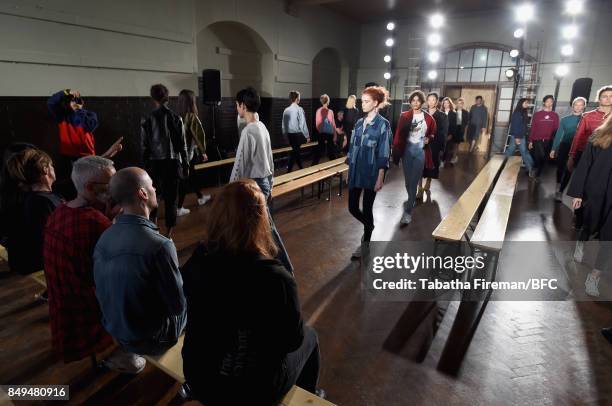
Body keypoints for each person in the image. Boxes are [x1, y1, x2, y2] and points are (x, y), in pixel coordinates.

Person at [181, 180, 321, 405]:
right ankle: (310, 395)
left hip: (200, 380)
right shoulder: (276, 278)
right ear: (260, 221)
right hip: (254, 392)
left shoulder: (197, 262)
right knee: (310, 337)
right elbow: (293, 341)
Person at [94, 167, 187, 357]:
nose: (155, 189)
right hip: (151, 339)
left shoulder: (105, 236)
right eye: (152, 185)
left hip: (115, 331)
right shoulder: (159, 245)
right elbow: (177, 307)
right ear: (142, 193)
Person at [43, 156, 122, 366]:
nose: (114, 190)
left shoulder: (60, 210)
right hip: (87, 307)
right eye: (110, 185)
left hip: (61, 303)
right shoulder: (95, 223)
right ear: (89, 187)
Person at [231, 87, 294, 274]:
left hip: (255, 185)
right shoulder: (262, 127)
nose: (236, 108)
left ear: (243, 106)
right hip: (264, 183)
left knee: (267, 230)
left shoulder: (249, 131)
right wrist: (271, 184)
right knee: (259, 229)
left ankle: (286, 269)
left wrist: (229, 189)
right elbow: (270, 159)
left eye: (237, 105)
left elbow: (239, 164)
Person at [47, 89, 122, 199]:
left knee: (89, 184)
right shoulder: (62, 116)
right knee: (72, 185)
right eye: (70, 101)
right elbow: (51, 102)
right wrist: (67, 92)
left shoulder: (89, 115)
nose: (73, 103)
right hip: (68, 156)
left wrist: (78, 110)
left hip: (87, 156)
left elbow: (88, 125)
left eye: (75, 101)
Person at [567, 114, 612, 297]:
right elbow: (585, 164)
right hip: (596, 191)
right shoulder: (599, 135)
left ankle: (594, 276)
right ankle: (581, 242)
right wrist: (578, 192)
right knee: (588, 224)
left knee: (609, 239)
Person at [346, 86, 391, 259]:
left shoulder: (383, 125)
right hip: (356, 172)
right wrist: (349, 171)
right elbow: (352, 149)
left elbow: (384, 153)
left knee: (367, 208)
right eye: (362, 101)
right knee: (352, 207)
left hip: (372, 173)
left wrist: (380, 178)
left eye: (366, 101)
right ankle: (370, 226)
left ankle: (365, 245)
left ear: (376, 103)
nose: (362, 104)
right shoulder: (358, 123)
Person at [4, 148, 62, 277]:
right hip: (41, 270)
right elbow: (47, 241)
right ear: (45, 169)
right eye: (51, 165)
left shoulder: (40, 197)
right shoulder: (39, 201)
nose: (54, 168)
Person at [141, 83, 189, 239]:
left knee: (153, 196)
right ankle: (169, 235)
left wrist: (144, 166)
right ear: (167, 97)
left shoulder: (146, 119)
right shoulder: (176, 118)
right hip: (172, 163)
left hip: (154, 164)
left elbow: (144, 146)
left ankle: (154, 229)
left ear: (153, 98)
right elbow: (183, 146)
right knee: (171, 199)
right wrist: (186, 164)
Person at [568, 85, 612, 229]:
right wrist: (572, 155)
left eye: (611, 96)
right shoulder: (589, 116)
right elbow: (578, 136)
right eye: (605, 96)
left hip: (606, 160)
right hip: (588, 155)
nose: (608, 99)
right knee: (584, 191)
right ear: (599, 98)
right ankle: (580, 218)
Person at [393, 90, 437, 226]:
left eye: (418, 100)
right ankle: (411, 198)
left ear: (422, 102)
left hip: (420, 152)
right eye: (413, 100)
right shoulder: (404, 116)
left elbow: (433, 132)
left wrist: (429, 138)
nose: (415, 102)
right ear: (410, 101)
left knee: (413, 181)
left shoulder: (428, 118)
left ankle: (408, 212)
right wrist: (395, 150)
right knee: (407, 182)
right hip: (407, 151)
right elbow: (398, 134)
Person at [176, 89, 211, 216]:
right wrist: (203, 151)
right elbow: (198, 135)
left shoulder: (177, 116)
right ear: (191, 102)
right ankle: (179, 208)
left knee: (192, 176)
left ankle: (200, 197)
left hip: (178, 154)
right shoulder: (192, 117)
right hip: (187, 154)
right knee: (185, 180)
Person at [550, 97, 586, 201]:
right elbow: (558, 135)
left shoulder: (586, 119)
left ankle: (560, 191)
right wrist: (553, 149)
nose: (578, 107)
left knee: (569, 169)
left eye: (581, 105)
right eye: (576, 104)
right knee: (560, 167)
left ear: (584, 106)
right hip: (565, 145)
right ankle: (558, 182)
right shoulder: (565, 120)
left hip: (578, 148)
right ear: (572, 106)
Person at [419, 93, 448, 200]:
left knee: (431, 165)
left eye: (433, 100)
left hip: (434, 144)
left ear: (436, 102)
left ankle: (429, 181)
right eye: (429, 100)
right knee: (419, 167)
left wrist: (440, 147)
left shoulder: (442, 116)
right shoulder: (422, 114)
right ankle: (419, 189)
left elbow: (443, 132)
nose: (431, 102)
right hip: (421, 144)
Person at [528, 95, 560, 180]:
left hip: (548, 140)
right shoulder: (537, 114)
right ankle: (535, 168)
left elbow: (556, 129)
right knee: (540, 156)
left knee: (545, 157)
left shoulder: (555, 115)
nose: (549, 103)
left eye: (551, 101)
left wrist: (555, 142)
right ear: (544, 102)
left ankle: (538, 173)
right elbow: (533, 128)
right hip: (537, 139)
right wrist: (530, 140)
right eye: (547, 101)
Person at [282, 91, 310, 172]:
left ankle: (300, 169)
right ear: (297, 99)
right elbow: (302, 125)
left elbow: (284, 125)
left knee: (295, 152)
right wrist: (307, 136)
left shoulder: (286, 110)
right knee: (295, 152)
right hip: (298, 136)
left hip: (289, 136)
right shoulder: (299, 109)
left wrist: (285, 136)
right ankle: (290, 172)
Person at [505, 98, 535, 176]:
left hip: (521, 135)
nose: (527, 104)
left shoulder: (523, 112)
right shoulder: (517, 113)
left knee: (514, 151)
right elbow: (515, 125)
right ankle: (530, 169)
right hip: (517, 136)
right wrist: (517, 138)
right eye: (525, 103)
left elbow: (523, 125)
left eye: (527, 103)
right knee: (522, 152)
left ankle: (530, 167)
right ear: (521, 103)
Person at [312, 94, 337, 164]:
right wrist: (335, 135)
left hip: (321, 133)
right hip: (329, 133)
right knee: (331, 152)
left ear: (321, 101)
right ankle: (336, 168)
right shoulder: (331, 112)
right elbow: (333, 124)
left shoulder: (318, 111)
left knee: (319, 150)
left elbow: (317, 124)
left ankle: (313, 166)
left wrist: (320, 130)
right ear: (328, 101)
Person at [441, 97, 458, 166]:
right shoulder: (440, 113)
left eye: (447, 103)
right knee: (441, 148)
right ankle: (441, 161)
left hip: (449, 134)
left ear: (450, 104)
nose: (446, 104)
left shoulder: (453, 114)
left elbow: (454, 126)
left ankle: (446, 161)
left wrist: (451, 134)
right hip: (441, 134)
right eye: (444, 103)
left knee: (448, 149)